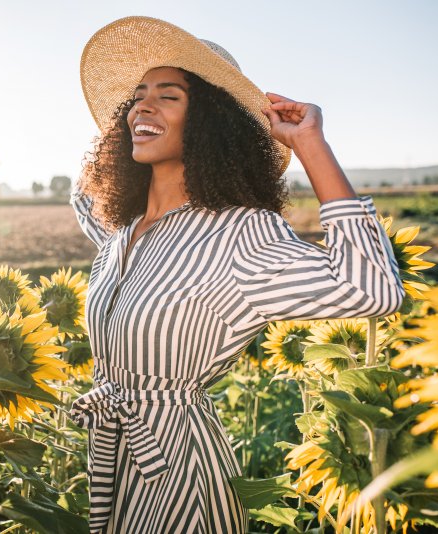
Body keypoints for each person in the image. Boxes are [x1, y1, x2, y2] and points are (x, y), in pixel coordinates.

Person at [67, 16, 404, 534]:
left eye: (169, 95)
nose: (142, 106)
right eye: (135, 95)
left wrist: (310, 145)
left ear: (211, 123)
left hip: (177, 470)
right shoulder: (122, 234)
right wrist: (114, 153)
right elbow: (84, 195)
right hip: (111, 461)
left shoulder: (241, 235)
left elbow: (373, 288)